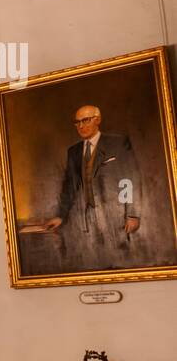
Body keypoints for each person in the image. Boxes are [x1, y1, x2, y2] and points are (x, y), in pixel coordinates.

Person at [43, 104, 140, 272]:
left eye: (85, 120)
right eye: (77, 122)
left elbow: (129, 179)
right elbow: (69, 187)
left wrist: (131, 213)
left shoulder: (117, 143)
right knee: (90, 264)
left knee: (119, 263)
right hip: (83, 220)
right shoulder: (73, 151)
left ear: (98, 120)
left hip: (114, 216)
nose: (81, 126)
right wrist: (60, 215)